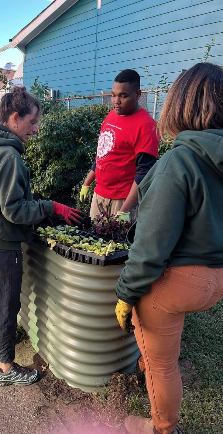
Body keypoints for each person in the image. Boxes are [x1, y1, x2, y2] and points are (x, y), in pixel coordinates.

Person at [115, 62, 223, 434]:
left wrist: (126, 294)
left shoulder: (179, 161)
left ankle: (163, 428)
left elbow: (150, 247)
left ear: (179, 103)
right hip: (216, 280)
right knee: (162, 350)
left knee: (163, 365)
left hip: (178, 281)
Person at [0, 86, 84, 386]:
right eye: (32, 123)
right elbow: (14, 211)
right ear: (15, 118)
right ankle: (6, 369)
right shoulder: (8, 156)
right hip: (1, 243)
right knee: (7, 304)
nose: (35, 130)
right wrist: (51, 206)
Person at [80, 69, 159, 220]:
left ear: (137, 95)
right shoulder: (111, 116)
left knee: (116, 243)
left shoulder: (146, 127)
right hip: (99, 195)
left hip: (122, 201)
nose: (116, 101)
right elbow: (103, 153)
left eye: (123, 96)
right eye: (113, 95)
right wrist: (87, 182)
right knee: (93, 241)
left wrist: (125, 210)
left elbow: (144, 173)